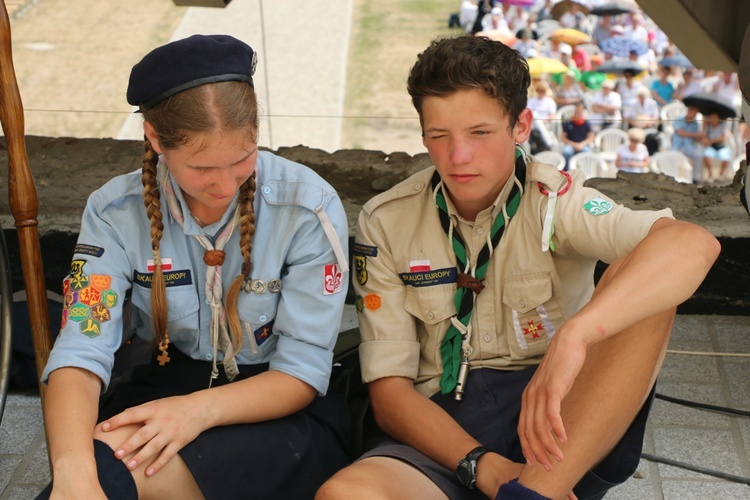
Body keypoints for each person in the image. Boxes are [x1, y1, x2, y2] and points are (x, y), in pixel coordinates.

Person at [316, 34, 720, 500]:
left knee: (647, 282)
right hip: (443, 430)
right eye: (438, 136)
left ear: (521, 126)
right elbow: (390, 396)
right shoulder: (388, 220)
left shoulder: (554, 202)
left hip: (559, 421)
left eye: (480, 133)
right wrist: (479, 465)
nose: (458, 157)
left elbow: (693, 243)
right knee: (344, 494)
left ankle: (533, 494)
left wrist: (577, 334)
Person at [38, 34, 351, 499]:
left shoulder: (308, 208)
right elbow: (82, 345)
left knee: (127, 472)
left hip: (280, 410)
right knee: (92, 473)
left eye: (243, 159)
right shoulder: (113, 212)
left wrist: (194, 412)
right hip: (167, 387)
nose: (225, 185)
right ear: (153, 137)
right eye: (203, 168)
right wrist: (72, 469)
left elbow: (301, 372)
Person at [671, 104, 705, 181]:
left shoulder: (695, 124)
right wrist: (696, 134)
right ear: (689, 111)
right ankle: (673, 177)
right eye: (694, 112)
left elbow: (695, 138)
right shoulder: (678, 120)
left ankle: (694, 177)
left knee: (698, 155)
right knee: (673, 157)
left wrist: (702, 135)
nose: (694, 115)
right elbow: (680, 133)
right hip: (677, 146)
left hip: (689, 146)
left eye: (696, 113)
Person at [560, 102, 596, 168]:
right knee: (566, 152)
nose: (578, 112)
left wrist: (583, 144)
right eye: (577, 110)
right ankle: (566, 170)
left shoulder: (586, 123)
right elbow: (563, 137)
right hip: (571, 144)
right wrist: (572, 144)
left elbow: (591, 136)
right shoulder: (568, 123)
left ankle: (586, 170)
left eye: (580, 111)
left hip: (582, 145)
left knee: (587, 152)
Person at [701, 110, 734, 181]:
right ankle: (710, 175)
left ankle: (721, 174)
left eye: (715, 117)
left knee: (726, 158)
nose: (713, 119)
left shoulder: (723, 125)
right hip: (711, 147)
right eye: (712, 117)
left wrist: (712, 140)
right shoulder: (708, 126)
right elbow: (703, 136)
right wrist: (704, 125)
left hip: (721, 146)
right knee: (706, 155)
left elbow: (723, 137)